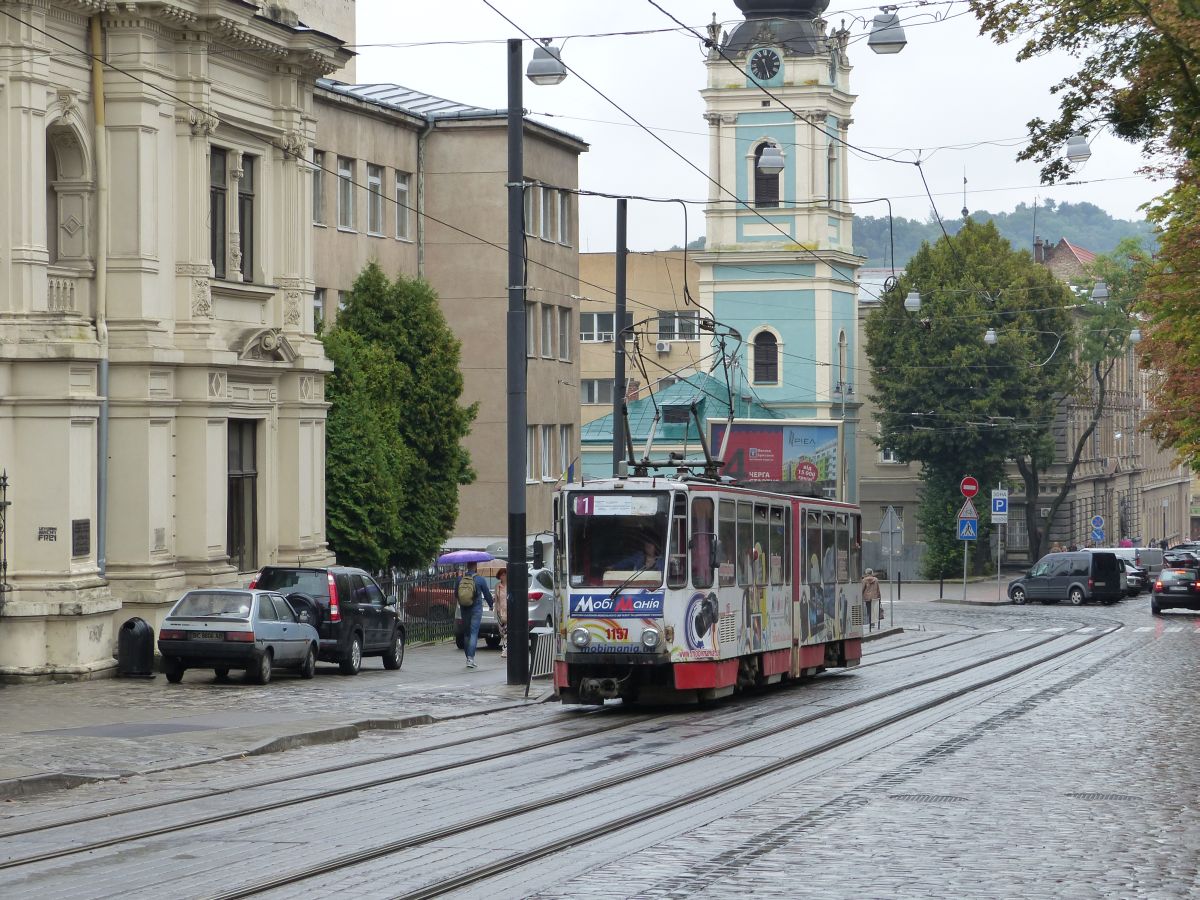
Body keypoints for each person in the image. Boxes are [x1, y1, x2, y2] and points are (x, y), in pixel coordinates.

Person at [456, 562, 494, 669]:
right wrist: (491, 605)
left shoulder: (460, 579)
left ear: (467, 566)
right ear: (476, 567)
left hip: (464, 608)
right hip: (476, 609)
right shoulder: (480, 579)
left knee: (467, 633)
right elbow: (486, 594)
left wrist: (461, 602)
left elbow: (456, 594)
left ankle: (467, 657)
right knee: (474, 633)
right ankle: (470, 658)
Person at [494, 567, 509, 659]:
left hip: (509, 611)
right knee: (502, 632)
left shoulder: (510, 585)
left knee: (507, 631)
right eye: (501, 575)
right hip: (501, 612)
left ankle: (505, 650)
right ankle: (506, 648)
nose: (503, 577)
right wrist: (497, 610)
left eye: (504, 574)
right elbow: (496, 599)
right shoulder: (497, 586)